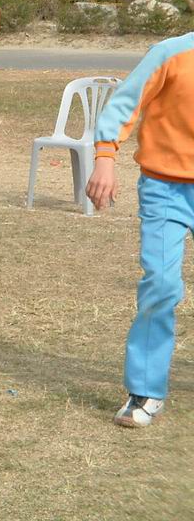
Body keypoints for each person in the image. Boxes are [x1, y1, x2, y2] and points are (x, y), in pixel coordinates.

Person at [85, 31, 194, 428]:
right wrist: (105, 158)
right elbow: (124, 104)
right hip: (166, 188)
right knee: (161, 284)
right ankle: (146, 389)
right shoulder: (171, 53)